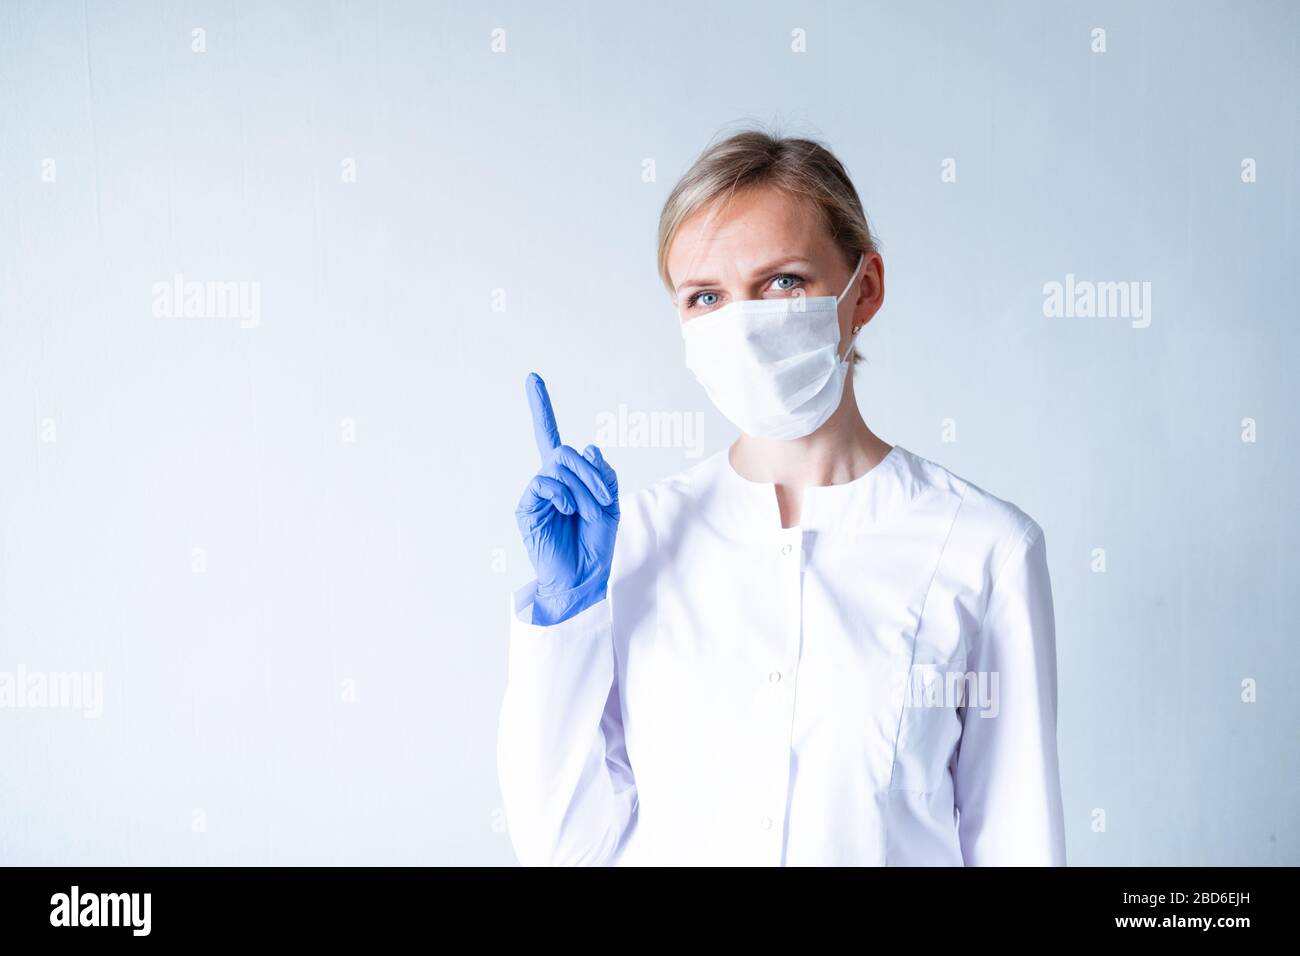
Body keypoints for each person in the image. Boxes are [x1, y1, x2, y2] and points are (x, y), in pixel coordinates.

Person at [496, 127, 1066, 866]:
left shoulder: (983, 550)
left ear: (865, 292)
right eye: (706, 296)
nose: (743, 322)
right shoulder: (632, 541)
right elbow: (562, 848)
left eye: (784, 282)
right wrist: (565, 616)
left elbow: (1017, 841)